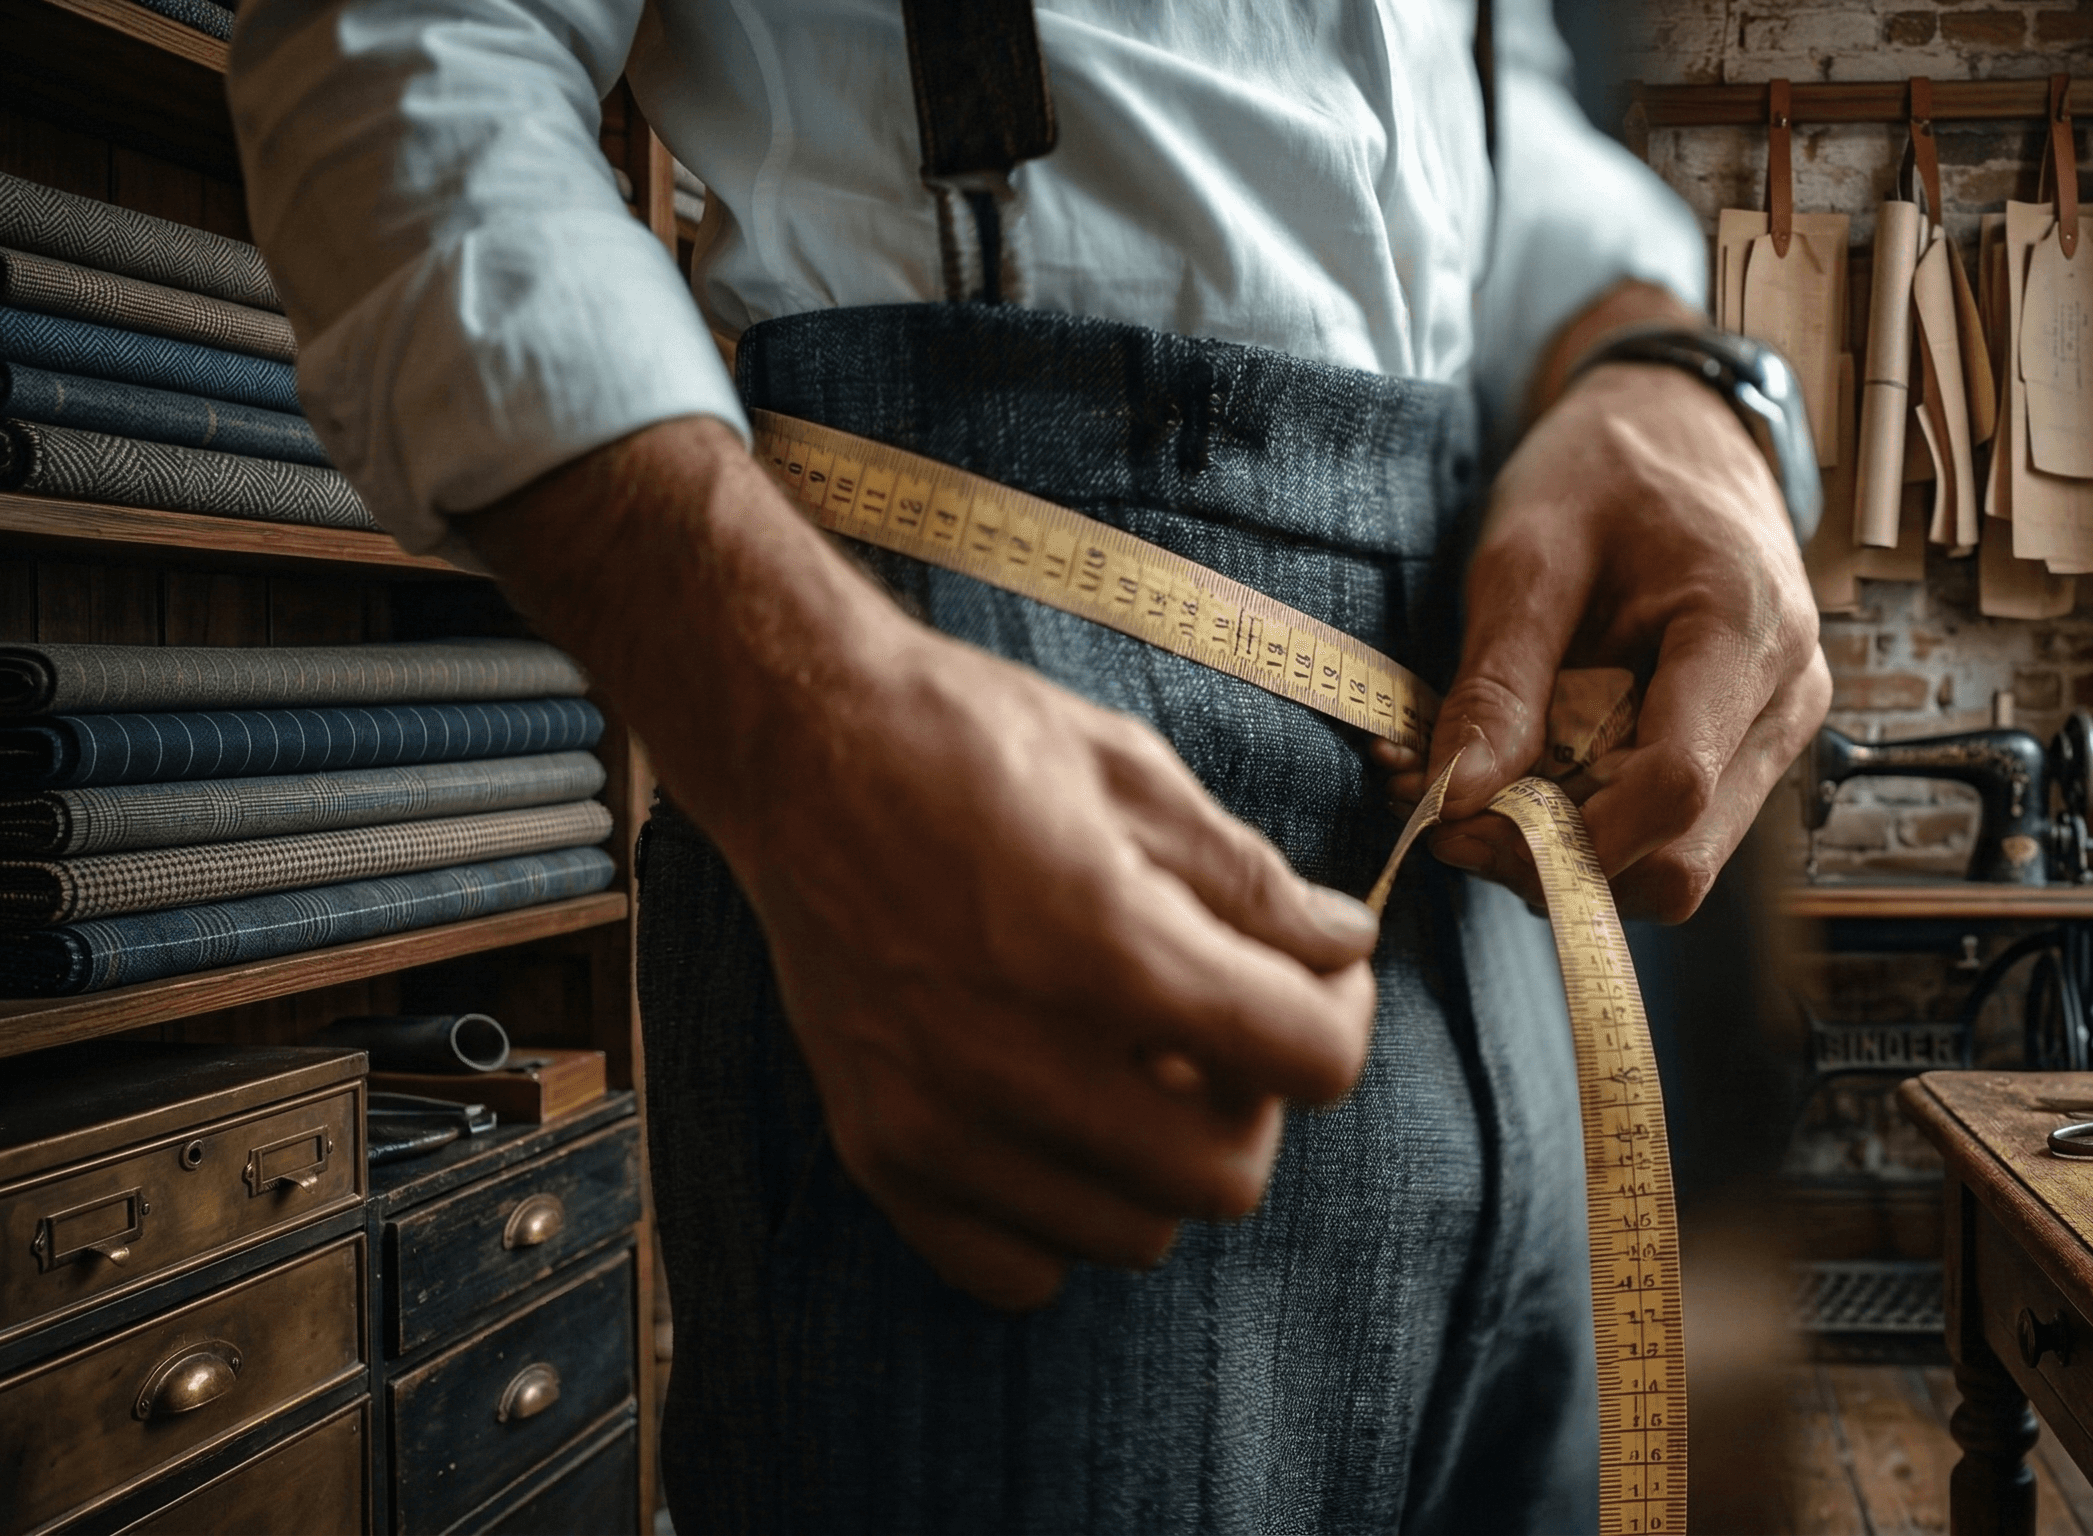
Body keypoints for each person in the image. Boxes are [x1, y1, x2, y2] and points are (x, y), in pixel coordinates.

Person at [229, 2, 1829, 1528]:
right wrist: (796, 728)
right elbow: (403, 54)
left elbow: (1499, 110)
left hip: (1502, 903)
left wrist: (1669, 372)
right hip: (997, 812)